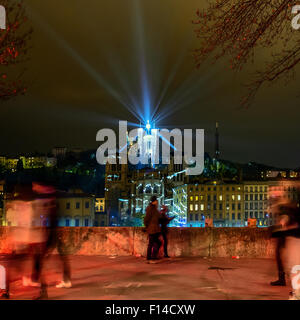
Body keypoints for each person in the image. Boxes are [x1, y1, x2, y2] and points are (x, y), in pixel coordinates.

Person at [144, 196, 162, 263]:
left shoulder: (154, 209)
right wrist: (147, 227)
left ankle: (152, 256)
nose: (157, 202)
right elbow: (146, 219)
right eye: (156, 200)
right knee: (151, 243)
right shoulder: (150, 209)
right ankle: (149, 257)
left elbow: (158, 218)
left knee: (156, 243)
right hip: (152, 229)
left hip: (155, 229)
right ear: (153, 201)